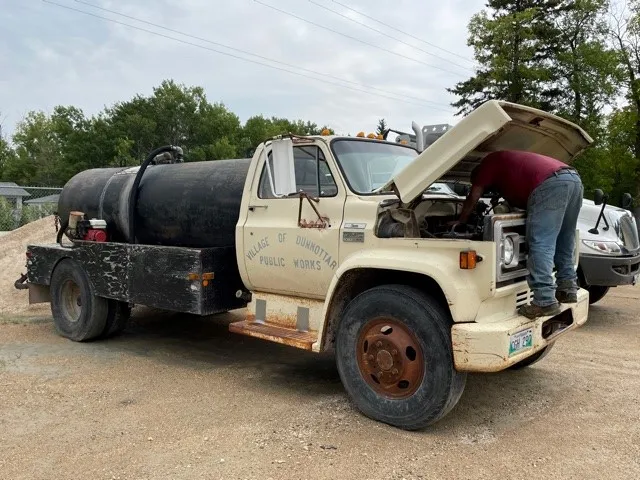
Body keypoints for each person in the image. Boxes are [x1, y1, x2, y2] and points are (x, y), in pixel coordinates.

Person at [452, 150, 584, 319]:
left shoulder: (486, 165)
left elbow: (473, 197)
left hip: (550, 183)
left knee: (541, 243)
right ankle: (567, 289)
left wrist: (461, 221)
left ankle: (545, 301)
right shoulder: (507, 164)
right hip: (573, 179)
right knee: (565, 239)